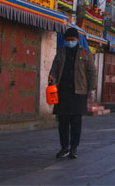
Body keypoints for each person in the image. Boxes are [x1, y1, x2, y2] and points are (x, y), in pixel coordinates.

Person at [48, 27, 96, 159]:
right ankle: (64, 147)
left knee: (76, 121)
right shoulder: (60, 53)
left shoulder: (86, 54)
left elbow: (92, 72)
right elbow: (54, 70)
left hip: (79, 91)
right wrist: (52, 81)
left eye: (72, 40)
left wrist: (91, 89)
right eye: (68, 40)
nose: (70, 42)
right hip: (62, 91)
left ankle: (74, 148)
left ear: (77, 40)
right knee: (62, 121)